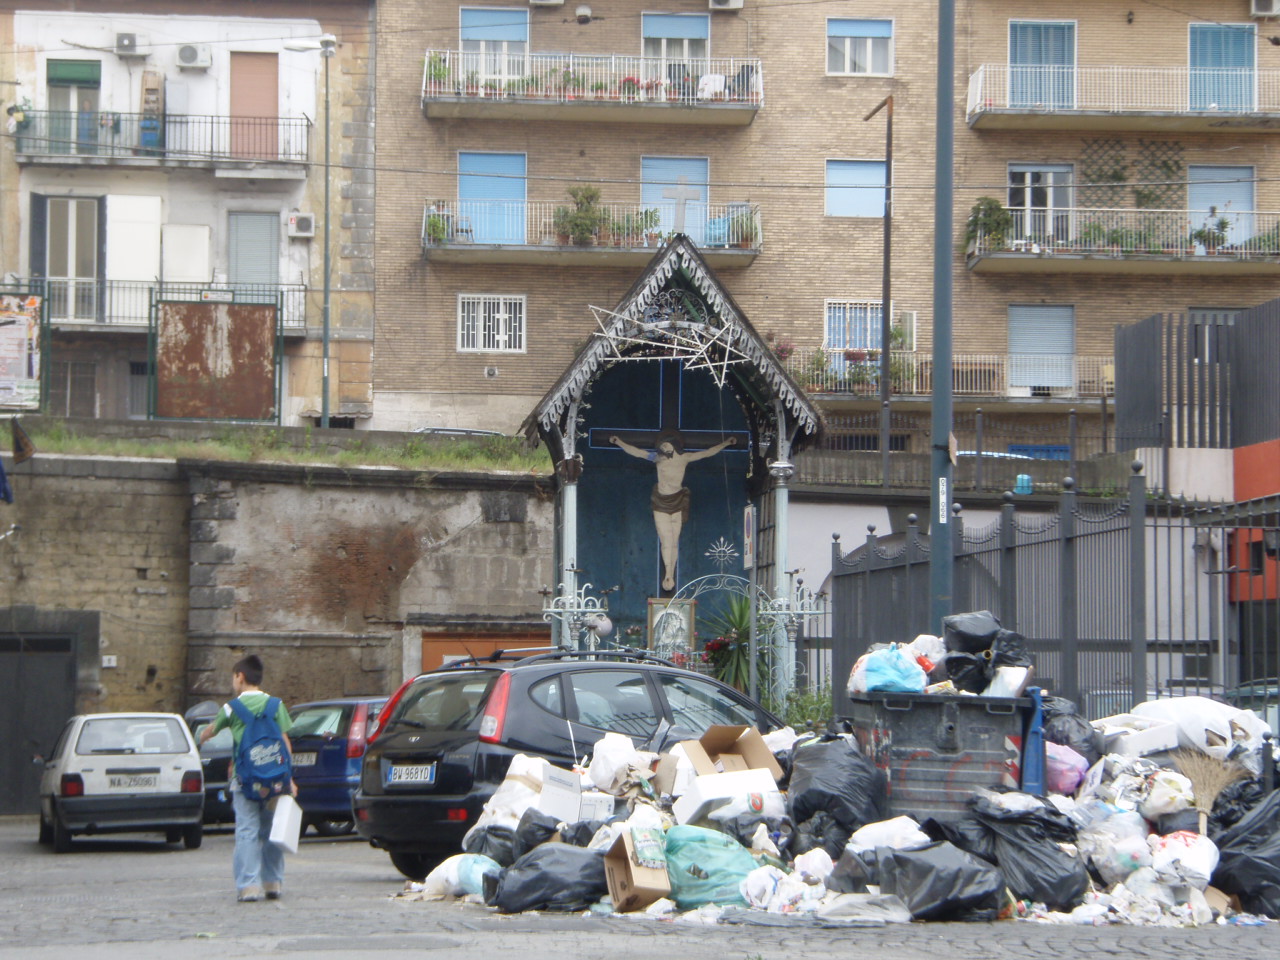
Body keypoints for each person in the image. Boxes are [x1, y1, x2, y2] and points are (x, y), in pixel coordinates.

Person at [199, 654, 295, 903]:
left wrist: (202, 735)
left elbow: (209, 732)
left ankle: (248, 886)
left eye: (233, 677)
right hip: (274, 781)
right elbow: (285, 744)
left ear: (240, 677)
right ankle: (273, 883)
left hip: (245, 780)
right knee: (272, 831)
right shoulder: (276, 705)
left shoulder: (232, 708)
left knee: (247, 832)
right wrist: (290, 779)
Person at [610, 430, 736, 591]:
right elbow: (637, 452)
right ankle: (667, 575)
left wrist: (725, 443)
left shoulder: (684, 458)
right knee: (665, 540)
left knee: (674, 541)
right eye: (661, 446)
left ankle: (670, 573)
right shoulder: (657, 459)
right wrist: (619, 442)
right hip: (661, 502)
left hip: (677, 501)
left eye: (665, 444)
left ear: (674, 445)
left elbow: (707, 453)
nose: (663, 448)